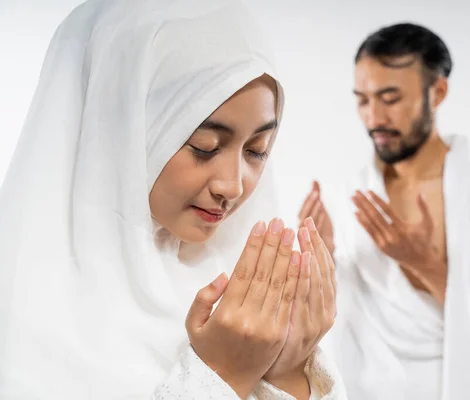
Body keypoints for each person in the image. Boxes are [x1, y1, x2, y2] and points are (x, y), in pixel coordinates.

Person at [0, 1, 346, 399]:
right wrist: (220, 376)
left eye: (257, 150)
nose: (232, 187)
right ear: (121, 127)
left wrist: (287, 375)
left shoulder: (246, 289)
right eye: (205, 146)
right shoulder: (27, 306)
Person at [298, 23, 470, 399]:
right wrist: (325, 258)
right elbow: (340, 324)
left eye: (390, 97)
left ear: (438, 91)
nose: (374, 117)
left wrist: (423, 264)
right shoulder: (354, 195)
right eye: (363, 100)